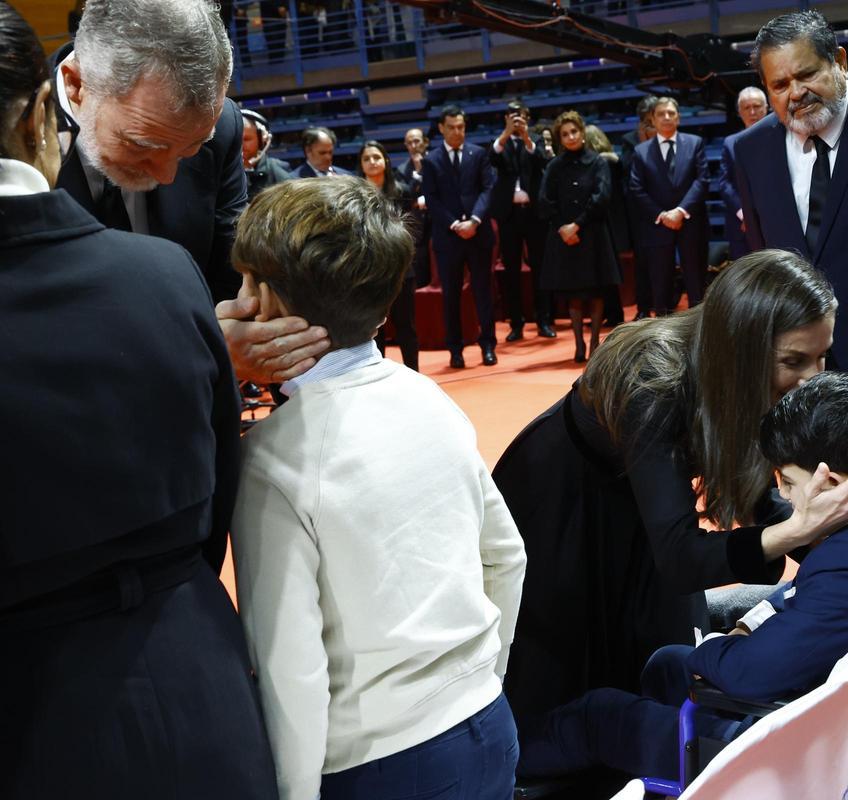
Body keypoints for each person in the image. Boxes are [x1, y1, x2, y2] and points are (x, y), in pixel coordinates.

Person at [0, 5, 278, 797]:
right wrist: (182, 347)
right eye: (150, 146)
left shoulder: (213, 126)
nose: (166, 173)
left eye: (189, 151)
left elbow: (229, 249)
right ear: (69, 93)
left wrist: (252, 320)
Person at [492, 249, 848, 730]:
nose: (812, 377)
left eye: (822, 356)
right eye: (795, 360)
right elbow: (680, 556)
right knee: (561, 676)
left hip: (640, 509)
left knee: (663, 657)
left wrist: (841, 540)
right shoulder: (654, 378)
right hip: (561, 503)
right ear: (744, 346)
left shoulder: (744, 376)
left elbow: (751, 495)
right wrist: (800, 531)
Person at [229, 178, 526, 800]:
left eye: (248, 282)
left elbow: (291, 668)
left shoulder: (271, 458)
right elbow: (507, 555)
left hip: (378, 765)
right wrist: (479, 679)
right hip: (488, 723)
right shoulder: (428, 395)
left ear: (269, 302)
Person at [517, 372, 848, 780]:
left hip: (814, 755)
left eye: (787, 481)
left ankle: (503, 773)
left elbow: (752, 674)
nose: (782, 494)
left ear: (833, 484)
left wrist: (710, 648)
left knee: (601, 714)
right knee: (666, 664)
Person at [52, 0, 330, 390]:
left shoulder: (226, 125)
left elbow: (230, 277)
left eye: (191, 149)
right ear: (76, 84)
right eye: (142, 145)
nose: (166, 175)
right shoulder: (11, 133)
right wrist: (200, 354)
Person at [730, 11, 848, 376]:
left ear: (839, 61)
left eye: (807, 74)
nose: (796, 93)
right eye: (780, 84)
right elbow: (764, 259)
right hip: (794, 370)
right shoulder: (749, 149)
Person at [539, 112, 622, 363]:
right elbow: (545, 200)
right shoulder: (554, 165)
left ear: (582, 132)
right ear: (560, 139)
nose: (571, 137)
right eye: (565, 134)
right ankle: (578, 344)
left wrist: (577, 225)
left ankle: (595, 342)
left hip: (592, 233)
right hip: (564, 236)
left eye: (574, 132)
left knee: (596, 291)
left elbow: (602, 196)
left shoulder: (598, 162)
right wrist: (564, 228)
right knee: (573, 292)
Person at [422, 104, 499, 368]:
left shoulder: (478, 154)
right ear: (442, 128)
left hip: (478, 234)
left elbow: (488, 189)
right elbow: (431, 198)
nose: (457, 132)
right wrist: (455, 224)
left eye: (461, 127)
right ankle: (455, 350)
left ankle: (488, 345)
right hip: (448, 237)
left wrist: (475, 220)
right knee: (451, 296)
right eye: (452, 127)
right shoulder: (431, 160)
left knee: (483, 293)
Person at [628, 96, 709, 316]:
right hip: (657, 225)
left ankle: (700, 329)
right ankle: (661, 334)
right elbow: (636, 188)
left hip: (690, 222)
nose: (666, 117)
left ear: (678, 118)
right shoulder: (641, 151)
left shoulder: (695, 143)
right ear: (652, 119)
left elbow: (702, 181)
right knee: (659, 284)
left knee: (695, 282)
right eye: (661, 113)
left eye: (671, 113)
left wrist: (680, 211)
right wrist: (662, 215)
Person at [492, 100, 555, 341]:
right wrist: (508, 133)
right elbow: (493, 157)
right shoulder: (502, 142)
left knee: (540, 268)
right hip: (509, 214)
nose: (516, 120)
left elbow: (541, 161)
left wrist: (526, 136)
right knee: (511, 271)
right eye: (511, 116)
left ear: (527, 117)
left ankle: (544, 320)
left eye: (520, 116)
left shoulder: (536, 140)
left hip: (534, 213)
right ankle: (516, 323)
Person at [360, 139, 420, 370]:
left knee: (406, 326)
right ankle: (378, 375)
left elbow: (412, 229)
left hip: (400, 268)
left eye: (376, 157)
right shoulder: (354, 193)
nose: (372, 162)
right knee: (375, 329)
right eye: (366, 159)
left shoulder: (402, 190)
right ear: (361, 164)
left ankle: (414, 374)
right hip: (368, 271)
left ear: (385, 160)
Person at [584, 123, 628, 328]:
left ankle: (613, 313)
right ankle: (609, 312)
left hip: (606, 222)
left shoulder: (603, 163)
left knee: (607, 273)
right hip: (614, 221)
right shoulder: (614, 160)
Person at [717, 86, 769, 261]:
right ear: (739, 112)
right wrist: (745, 213)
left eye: (757, 106)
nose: (752, 112)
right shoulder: (730, 143)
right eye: (747, 107)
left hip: (773, 220)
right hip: (739, 224)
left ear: (767, 107)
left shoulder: (782, 139)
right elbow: (724, 184)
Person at [620, 95, 660, 319]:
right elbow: (625, 170)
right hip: (640, 212)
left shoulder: (668, 136)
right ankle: (643, 308)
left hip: (665, 208)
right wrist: (643, 141)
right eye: (646, 119)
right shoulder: (629, 140)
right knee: (642, 263)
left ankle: (665, 304)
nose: (651, 123)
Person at [399, 126, 431, 287]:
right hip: (418, 225)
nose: (413, 145)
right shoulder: (402, 170)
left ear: (425, 143)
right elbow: (406, 197)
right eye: (409, 143)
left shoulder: (437, 160)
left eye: (416, 141)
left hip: (440, 219)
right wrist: (418, 175)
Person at [241, 107, 291, 201]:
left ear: (263, 139)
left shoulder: (280, 174)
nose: (239, 145)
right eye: (234, 139)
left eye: (246, 139)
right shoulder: (219, 173)